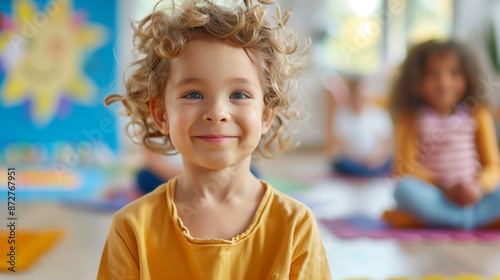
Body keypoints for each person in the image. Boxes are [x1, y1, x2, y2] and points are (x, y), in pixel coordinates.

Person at [97, 0, 332, 279]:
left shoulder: (295, 225)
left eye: (239, 94)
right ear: (162, 115)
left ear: (266, 115)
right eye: (194, 94)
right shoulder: (131, 227)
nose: (217, 113)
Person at [383, 40, 500, 230]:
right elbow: (405, 167)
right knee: (403, 191)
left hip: (475, 196)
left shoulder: (478, 113)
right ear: (417, 79)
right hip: (437, 194)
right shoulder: (410, 117)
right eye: (432, 74)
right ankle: (472, 220)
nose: (444, 82)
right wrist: (444, 187)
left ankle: (447, 219)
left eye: (454, 73)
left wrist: (478, 188)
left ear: (468, 77)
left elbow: (493, 166)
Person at [325, 77, 393, 176]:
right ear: (351, 94)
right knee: (339, 163)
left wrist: (375, 159)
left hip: (376, 161)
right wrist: (363, 159)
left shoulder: (379, 114)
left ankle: (369, 172)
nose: (361, 97)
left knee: (391, 162)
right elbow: (342, 145)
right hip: (353, 161)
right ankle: (369, 173)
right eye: (358, 94)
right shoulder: (342, 115)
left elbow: (386, 144)